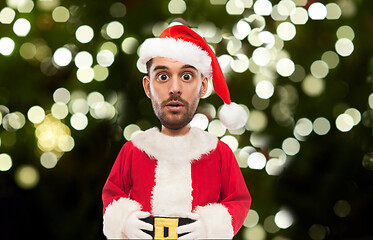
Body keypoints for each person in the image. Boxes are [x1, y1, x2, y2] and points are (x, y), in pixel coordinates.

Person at [102, 23, 251, 239]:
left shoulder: (219, 153)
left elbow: (238, 200)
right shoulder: (133, 151)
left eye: (187, 76)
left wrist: (212, 227)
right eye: (163, 77)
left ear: (203, 86)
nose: (175, 88)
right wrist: (124, 221)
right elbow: (112, 194)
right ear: (147, 86)